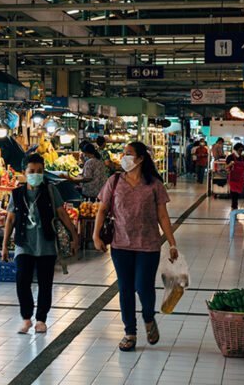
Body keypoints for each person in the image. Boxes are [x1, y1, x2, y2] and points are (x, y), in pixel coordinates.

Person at [93, 141, 179, 352]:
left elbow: (162, 215)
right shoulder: (114, 181)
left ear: (140, 158)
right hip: (120, 245)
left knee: (143, 286)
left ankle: (148, 318)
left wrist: (172, 243)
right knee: (125, 288)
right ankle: (130, 332)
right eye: (124, 154)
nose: (124, 157)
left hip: (148, 245)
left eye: (128, 154)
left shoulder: (154, 184)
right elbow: (102, 209)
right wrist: (96, 235)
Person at [1, 154, 78, 334]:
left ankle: (41, 319)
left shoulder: (50, 191)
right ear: (24, 173)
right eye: (32, 171)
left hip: (47, 245)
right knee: (22, 281)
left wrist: (74, 235)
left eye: (39, 171)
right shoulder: (17, 194)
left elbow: (62, 214)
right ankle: (26, 318)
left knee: (45, 284)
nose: (36, 174)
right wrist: (5, 245)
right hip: (23, 244)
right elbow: (10, 219)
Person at [226, 143, 244, 210]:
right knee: (234, 195)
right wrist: (231, 164)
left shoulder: (242, 157)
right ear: (236, 149)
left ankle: (235, 208)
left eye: (242, 150)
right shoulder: (230, 157)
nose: (241, 152)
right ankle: (233, 209)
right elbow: (226, 167)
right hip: (233, 178)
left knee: (237, 195)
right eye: (240, 150)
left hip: (240, 179)